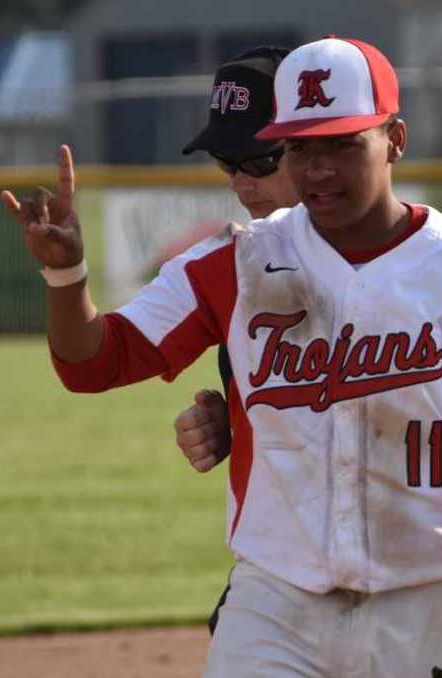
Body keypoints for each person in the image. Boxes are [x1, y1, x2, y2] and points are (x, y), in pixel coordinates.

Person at [2, 36, 442, 678]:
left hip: (426, 599)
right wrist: (68, 276)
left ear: (395, 140)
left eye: (342, 144)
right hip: (276, 603)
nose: (317, 168)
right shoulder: (235, 262)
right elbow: (95, 363)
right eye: (300, 147)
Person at [176, 45, 298, 477]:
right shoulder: (244, 270)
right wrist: (236, 422)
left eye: (261, 160)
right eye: (227, 164)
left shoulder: (420, 262)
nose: (242, 185)